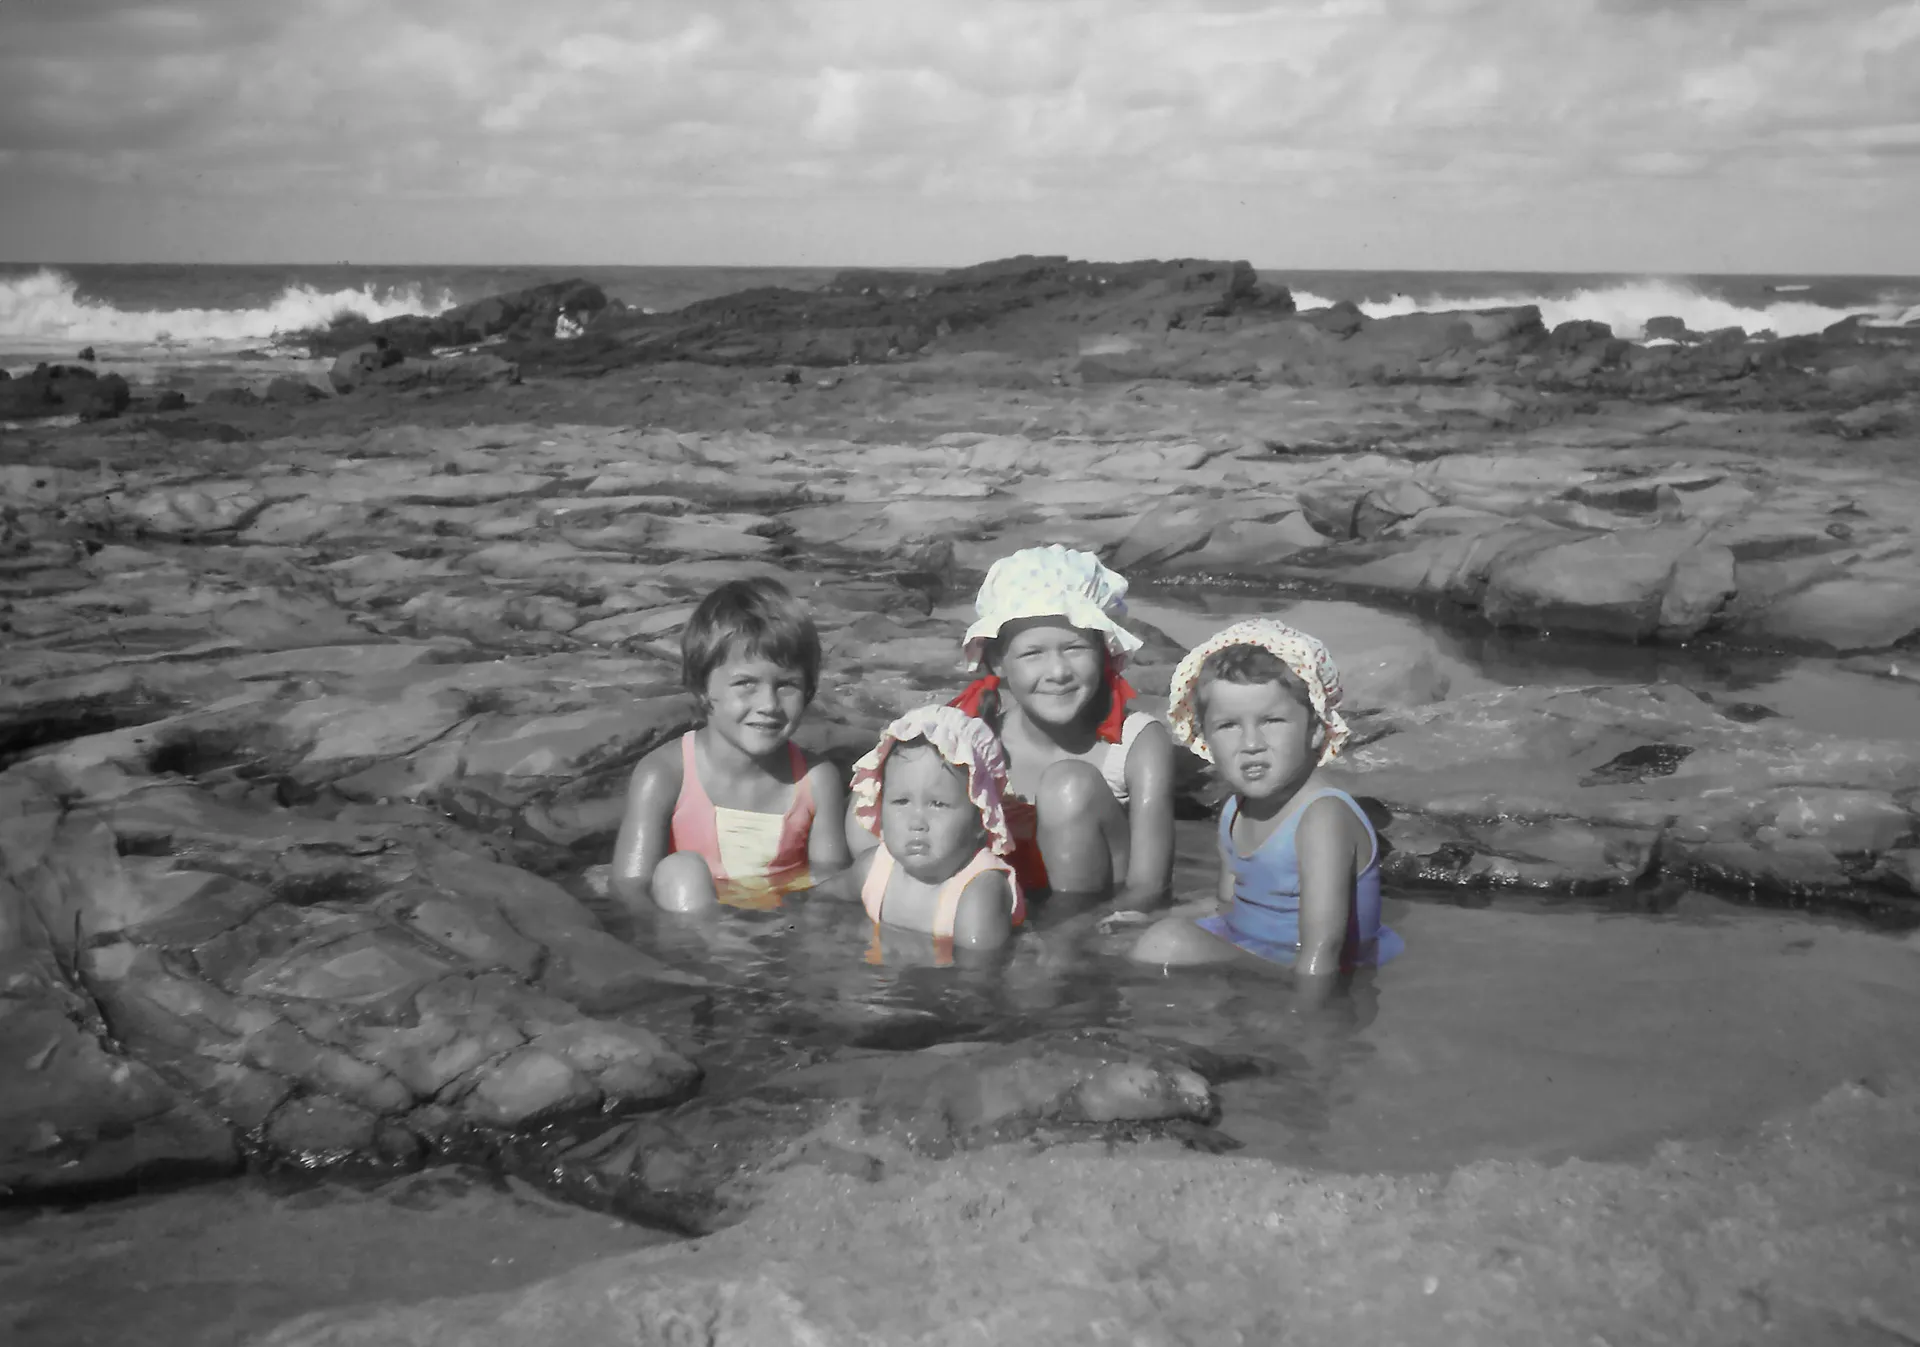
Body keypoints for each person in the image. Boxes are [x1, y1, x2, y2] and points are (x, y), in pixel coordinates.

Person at [847, 545, 1174, 913]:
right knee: (891, 780)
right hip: (994, 907)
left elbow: (1149, 886)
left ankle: (1065, 940)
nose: (1058, 672)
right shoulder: (978, 737)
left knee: (1069, 785)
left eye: (1075, 648)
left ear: (1104, 651)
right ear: (999, 662)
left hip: (1092, 912)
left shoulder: (1136, 743)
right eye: (1033, 654)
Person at [1129, 618, 1403, 1005]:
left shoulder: (1321, 818)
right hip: (1251, 946)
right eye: (1228, 726)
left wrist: (1306, 1024)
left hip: (1303, 967)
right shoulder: (1235, 809)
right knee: (1135, 937)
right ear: (1204, 737)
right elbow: (1227, 903)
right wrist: (1157, 916)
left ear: (1315, 729)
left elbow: (1323, 949)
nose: (1251, 743)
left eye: (1272, 721)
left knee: (1165, 945)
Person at [609, 577, 850, 914]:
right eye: (746, 683)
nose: (769, 703)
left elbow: (830, 881)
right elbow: (629, 887)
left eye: (787, 685)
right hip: (694, 933)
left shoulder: (815, 779)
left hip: (780, 927)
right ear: (702, 687)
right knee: (683, 871)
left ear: (809, 691)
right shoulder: (665, 774)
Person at [830, 704, 1024, 961]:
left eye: (938, 804)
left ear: (981, 819)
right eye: (901, 801)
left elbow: (978, 983)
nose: (917, 822)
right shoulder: (874, 868)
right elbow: (820, 902)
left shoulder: (979, 891)